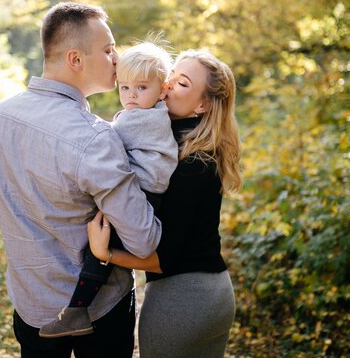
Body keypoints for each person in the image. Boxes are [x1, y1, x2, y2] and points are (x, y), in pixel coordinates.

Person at [0, 2, 162, 358]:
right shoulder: (95, 139)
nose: (117, 58)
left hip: (30, 305)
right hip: (100, 312)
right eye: (108, 50)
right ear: (76, 59)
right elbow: (144, 239)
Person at [88, 49, 242, 358]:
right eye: (171, 76)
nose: (169, 85)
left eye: (182, 83)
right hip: (207, 295)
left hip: (184, 299)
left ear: (203, 104)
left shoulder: (193, 164)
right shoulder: (175, 146)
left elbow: (164, 258)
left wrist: (104, 253)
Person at [39, 40, 178, 337]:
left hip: (145, 190)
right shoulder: (152, 113)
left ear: (163, 88)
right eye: (125, 87)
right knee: (101, 241)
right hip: (145, 185)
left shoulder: (144, 118)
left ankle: (77, 310)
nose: (131, 96)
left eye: (142, 88)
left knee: (98, 246)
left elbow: (105, 139)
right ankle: (79, 308)